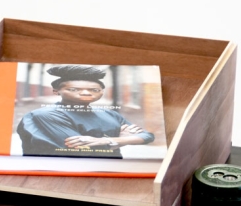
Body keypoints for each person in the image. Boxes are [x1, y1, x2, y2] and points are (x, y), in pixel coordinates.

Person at [16, 65, 154, 155]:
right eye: (74, 89)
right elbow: (81, 150)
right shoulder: (44, 115)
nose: (86, 93)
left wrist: (106, 141)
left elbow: (148, 136)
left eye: (94, 90)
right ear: (56, 91)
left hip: (109, 171)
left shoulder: (109, 113)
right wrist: (125, 139)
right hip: (61, 174)